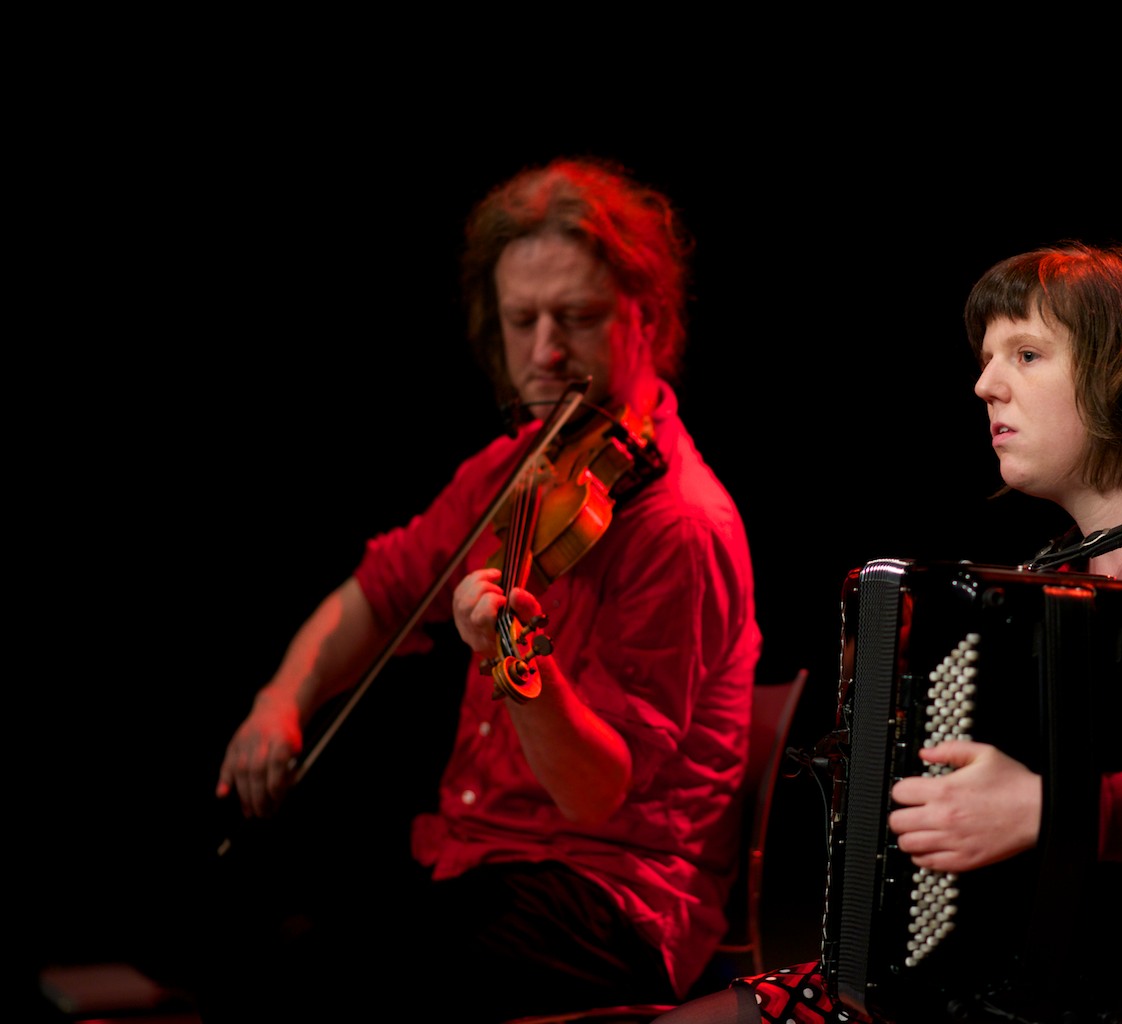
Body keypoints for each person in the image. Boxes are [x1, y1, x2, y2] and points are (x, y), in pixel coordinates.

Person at [655, 241, 1122, 1024]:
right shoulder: (1068, 569)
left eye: (1025, 354)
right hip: (1072, 965)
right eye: (988, 358)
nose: (985, 384)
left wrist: (1043, 809)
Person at [203, 158, 761, 1022]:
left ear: (643, 320)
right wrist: (281, 700)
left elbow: (594, 793)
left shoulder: (678, 525)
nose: (544, 353)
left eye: (575, 319)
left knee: (316, 983)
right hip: (474, 859)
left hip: (606, 898)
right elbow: (380, 592)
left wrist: (518, 666)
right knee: (231, 921)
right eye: (520, 320)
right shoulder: (519, 467)